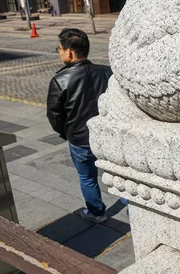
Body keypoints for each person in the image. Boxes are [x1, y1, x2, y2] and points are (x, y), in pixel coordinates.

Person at [46, 28, 112, 223]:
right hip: (106, 135)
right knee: (120, 174)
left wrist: (65, 132)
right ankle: (133, 212)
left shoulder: (60, 79)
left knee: (87, 177)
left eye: (59, 49)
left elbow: (54, 115)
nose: (59, 53)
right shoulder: (106, 72)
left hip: (79, 139)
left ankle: (96, 212)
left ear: (69, 52)